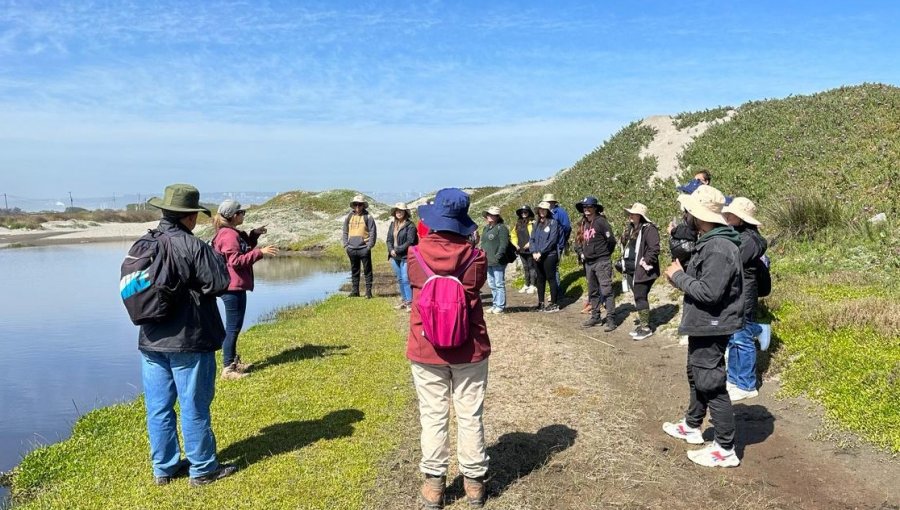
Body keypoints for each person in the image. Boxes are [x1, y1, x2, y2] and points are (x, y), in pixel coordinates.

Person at [140, 183, 237, 486]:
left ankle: (164, 468)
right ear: (190, 216)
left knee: (158, 408)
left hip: (150, 338)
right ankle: (203, 468)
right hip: (189, 339)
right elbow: (220, 283)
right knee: (194, 405)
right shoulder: (194, 246)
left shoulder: (143, 244)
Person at [408, 188, 490, 508]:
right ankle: (474, 483)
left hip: (425, 347)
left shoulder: (414, 255)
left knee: (433, 414)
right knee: (469, 414)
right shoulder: (476, 258)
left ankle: (434, 484)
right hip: (470, 347)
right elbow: (475, 284)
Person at [662, 185, 744, 468]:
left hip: (712, 323)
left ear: (699, 216)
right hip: (704, 322)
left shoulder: (719, 247)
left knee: (711, 383)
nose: (686, 216)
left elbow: (710, 293)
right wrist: (681, 277)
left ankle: (724, 447)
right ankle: (692, 425)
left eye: (690, 212)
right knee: (697, 374)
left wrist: (679, 277)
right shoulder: (712, 242)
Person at [211, 200, 278, 380]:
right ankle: (228, 369)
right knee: (232, 328)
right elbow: (236, 261)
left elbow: (242, 248)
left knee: (235, 327)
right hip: (231, 288)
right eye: (242, 212)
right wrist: (260, 252)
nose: (243, 215)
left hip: (234, 287)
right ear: (234, 216)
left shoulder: (230, 233)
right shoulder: (228, 235)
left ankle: (232, 362)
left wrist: (254, 235)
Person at [722, 197, 768, 401]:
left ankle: (747, 384)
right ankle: (734, 380)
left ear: (741, 218)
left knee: (742, 338)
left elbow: (732, 263)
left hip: (743, 293)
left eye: (730, 214)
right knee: (733, 338)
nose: (726, 216)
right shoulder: (740, 235)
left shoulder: (749, 240)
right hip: (737, 292)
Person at [575, 197, 617, 331]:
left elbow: (611, 241)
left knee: (606, 290)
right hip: (589, 263)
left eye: (589, 207)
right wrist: (582, 252)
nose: (586, 209)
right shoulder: (583, 223)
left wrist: (604, 254)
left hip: (602, 261)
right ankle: (595, 316)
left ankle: (611, 318)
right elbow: (578, 241)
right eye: (584, 207)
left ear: (595, 208)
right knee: (593, 291)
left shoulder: (601, 222)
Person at [621, 203, 660, 340]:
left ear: (640, 216)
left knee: (640, 296)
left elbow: (654, 248)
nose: (630, 215)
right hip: (632, 270)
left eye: (633, 213)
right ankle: (643, 324)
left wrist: (646, 262)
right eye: (630, 213)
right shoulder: (631, 229)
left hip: (643, 270)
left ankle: (646, 328)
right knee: (638, 296)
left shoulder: (649, 229)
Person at [342, 194, 377, 298]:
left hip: (364, 248)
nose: (357, 206)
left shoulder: (368, 217)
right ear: (353, 205)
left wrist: (369, 246)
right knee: (354, 270)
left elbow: (373, 232)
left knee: (367, 270)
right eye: (355, 204)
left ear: (363, 205)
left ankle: (368, 292)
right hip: (351, 248)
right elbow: (345, 231)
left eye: (360, 204)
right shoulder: (349, 217)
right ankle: (355, 291)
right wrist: (345, 245)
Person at [529, 201, 562, 312]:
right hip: (536, 255)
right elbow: (532, 239)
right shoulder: (536, 223)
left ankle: (554, 303)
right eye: (540, 209)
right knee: (540, 278)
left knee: (551, 278)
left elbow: (552, 241)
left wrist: (541, 252)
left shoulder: (553, 223)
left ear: (548, 211)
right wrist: (533, 251)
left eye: (544, 209)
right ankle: (541, 303)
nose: (542, 211)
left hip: (549, 255)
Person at [385, 202, 418, 311]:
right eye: (397, 211)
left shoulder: (411, 226)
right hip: (394, 256)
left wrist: (397, 250)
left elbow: (410, 241)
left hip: (405, 256)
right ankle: (404, 301)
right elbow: (389, 239)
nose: (398, 213)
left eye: (401, 211)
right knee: (400, 279)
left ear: (405, 212)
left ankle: (410, 302)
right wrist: (391, 250)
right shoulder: (392, 224)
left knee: (405, 279)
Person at [480, 206, 511, 314]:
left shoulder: (501, 228)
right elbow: (483, 242)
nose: (489, 216)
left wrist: (498, 256)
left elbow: (504, 244)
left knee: (499, 283)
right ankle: (495, 304)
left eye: (492, 214)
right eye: (488, 214)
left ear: (497, 217)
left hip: (498, 261)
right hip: (488, 260)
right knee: (492, 284)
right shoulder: (486, 228)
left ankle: (500, 305)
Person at [510, 205, 537, 294]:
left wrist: (530, 243)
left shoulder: (533, 223)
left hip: (530, 249)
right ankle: (526, 284)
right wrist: (515, 244)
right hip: (520, 249)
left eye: (525, 212)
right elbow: (513, 235)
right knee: (525, 267)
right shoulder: (518, 224)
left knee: (531, 267)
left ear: (529, 213)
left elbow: (536, 235)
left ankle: (533, 285)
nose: (523, 214)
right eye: (522, 212)